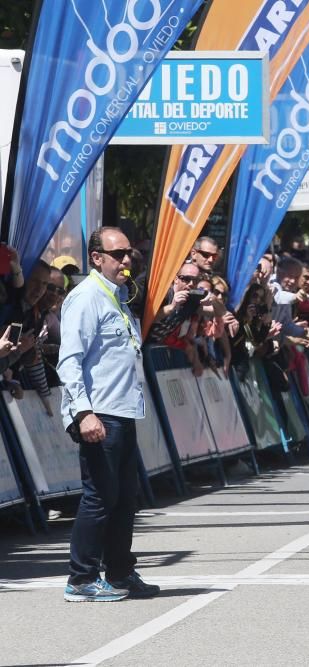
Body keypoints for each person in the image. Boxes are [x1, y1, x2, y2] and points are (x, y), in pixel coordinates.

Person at [58, 227, 159, 602]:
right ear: (96, 257)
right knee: (99, 497)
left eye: (129, 253)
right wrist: (84, 413)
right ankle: (81, 578)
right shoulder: (85, 298)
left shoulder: (117, 296)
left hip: (122, 410)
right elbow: (69, 362)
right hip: (98, 411)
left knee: (125, 497)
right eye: (118, 254)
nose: (126, 260)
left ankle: (119, 571)